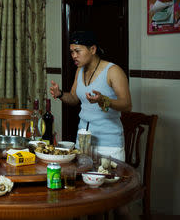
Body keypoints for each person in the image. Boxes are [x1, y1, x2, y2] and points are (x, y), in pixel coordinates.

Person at [49, 31, 132, 161]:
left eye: (77, 51)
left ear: (92, 49)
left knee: (109, 181)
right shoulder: (79, 70)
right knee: (82, 180)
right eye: (72, 52)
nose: (74, 56)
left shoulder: (113, 71)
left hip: (108, 144)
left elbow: (127, 105)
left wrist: (103, 100)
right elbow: (73, 98)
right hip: (83, 141)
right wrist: (60, 94)